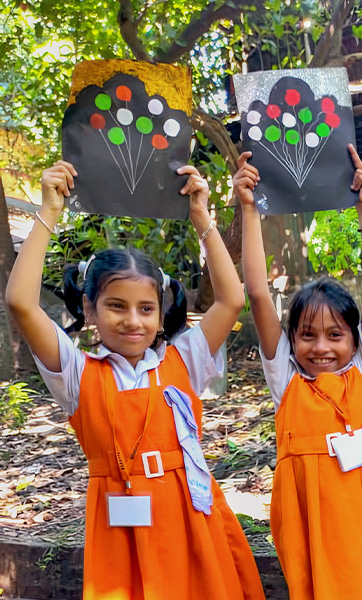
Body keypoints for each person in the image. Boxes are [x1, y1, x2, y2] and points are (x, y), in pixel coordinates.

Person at [5, 161, 265, 599]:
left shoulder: (183, 360)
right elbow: (20, 302)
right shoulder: (76, 373)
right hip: (120, 526)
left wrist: (202, 218)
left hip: (190, 516)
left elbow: (232, 299)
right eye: (116, 306)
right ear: (89, 310)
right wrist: (48, 212)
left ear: (161, 314)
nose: (133, 321)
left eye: (146, 308)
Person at [234, 146, 362, 600]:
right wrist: (249, 209)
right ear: (291, 340)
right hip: (306, 521)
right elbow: (257, 292)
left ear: (354, 340)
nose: (321, 347)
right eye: (307, 335)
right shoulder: (287, 380)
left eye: (335, 335)